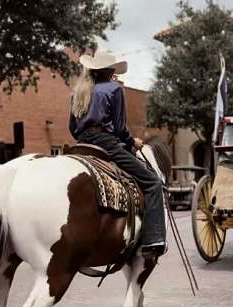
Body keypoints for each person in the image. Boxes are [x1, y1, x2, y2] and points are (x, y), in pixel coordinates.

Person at [68, 50, 166, 256]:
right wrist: (133, 142)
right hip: (106, 143)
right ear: (110, 71)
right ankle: (154, 239)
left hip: (81, 143)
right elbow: (120, 129)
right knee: (152, 183)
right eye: (113, 70)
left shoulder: (78, 92)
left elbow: (72, 128)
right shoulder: (114, 90)